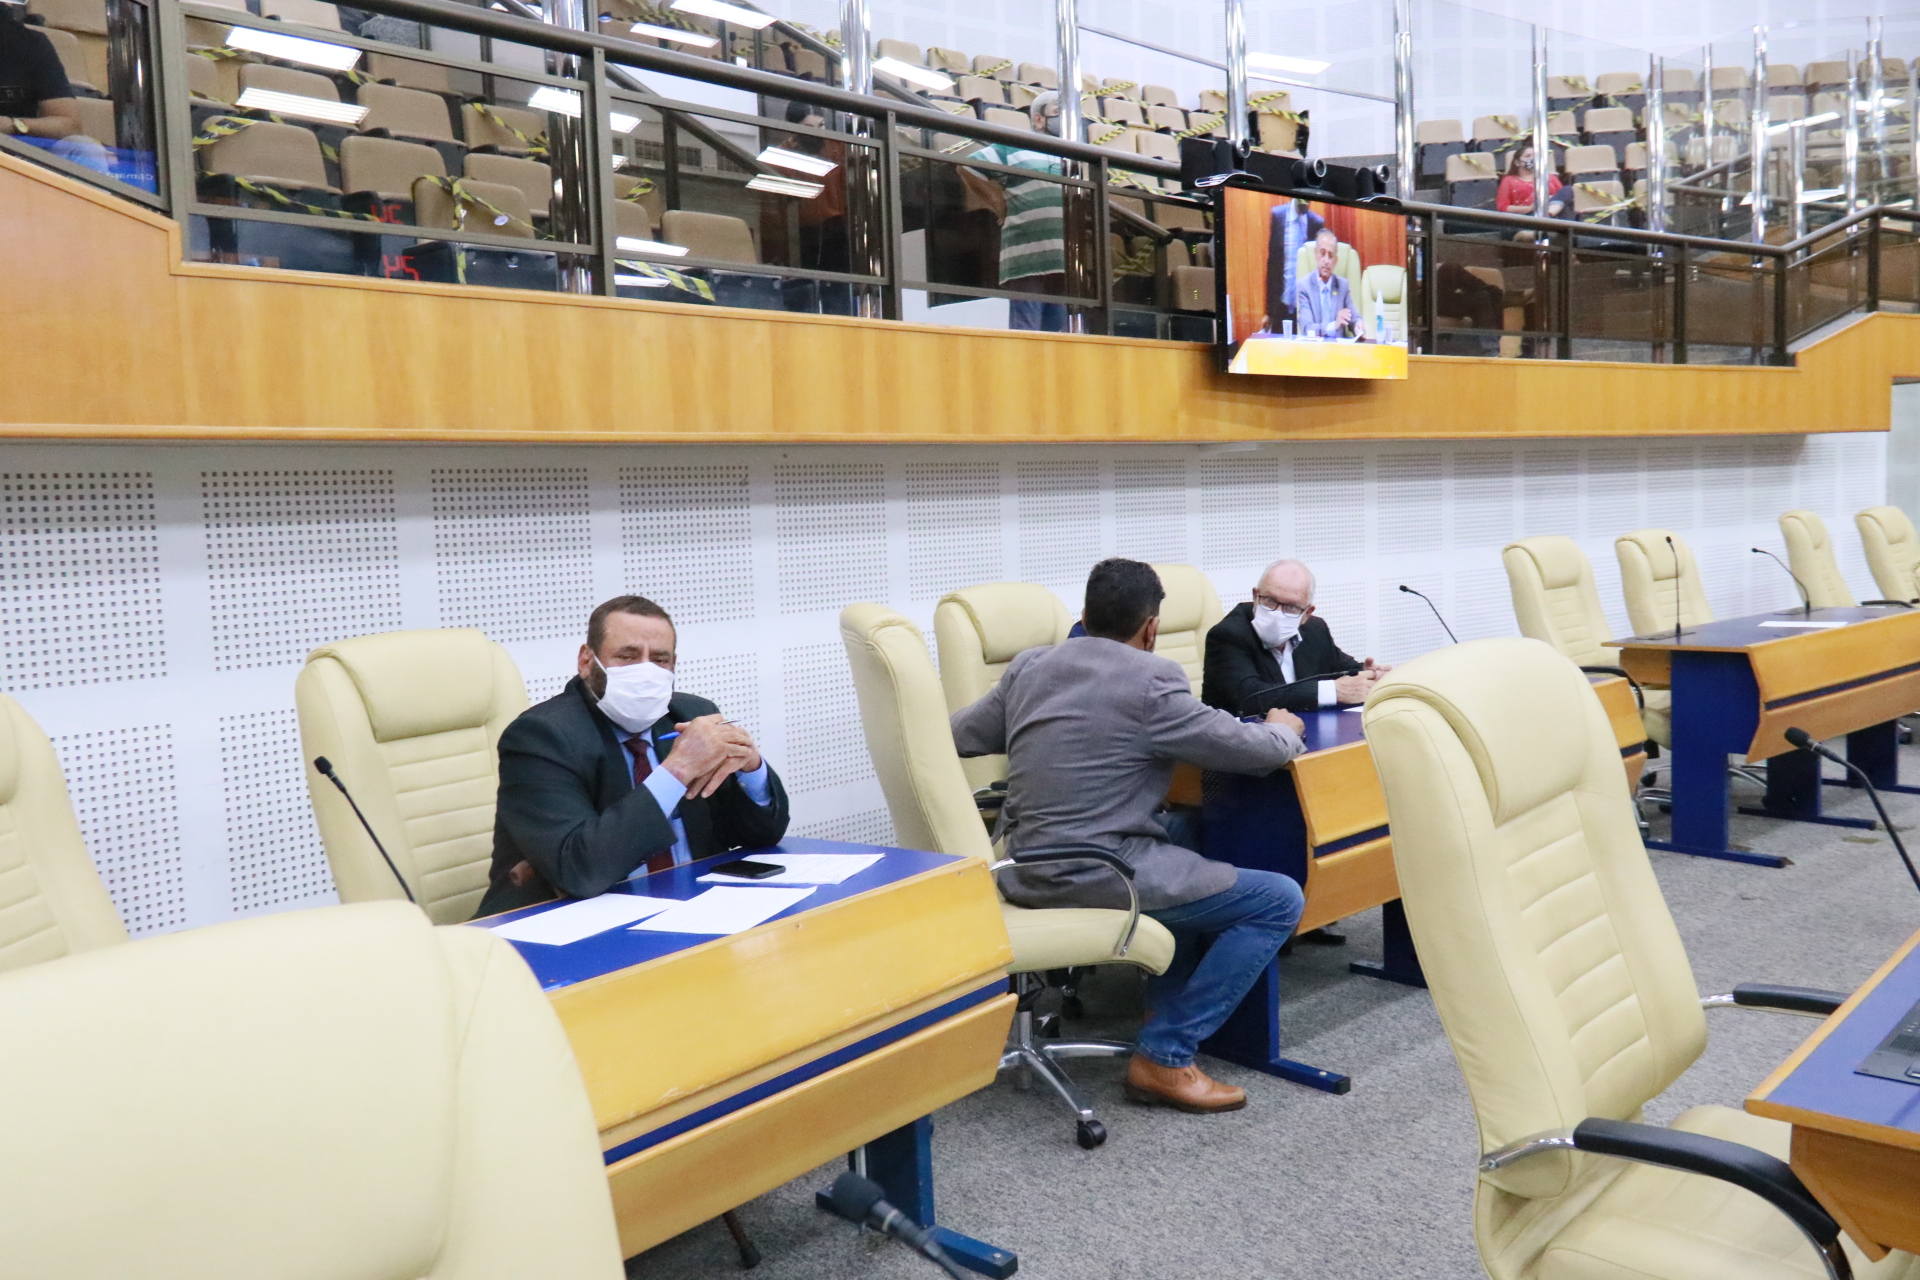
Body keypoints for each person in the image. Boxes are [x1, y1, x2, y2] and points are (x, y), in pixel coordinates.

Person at [950, 558, 1308, 1114]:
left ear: (1085, 614)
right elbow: (1251, 751)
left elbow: (959, 736)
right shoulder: (1154, 681)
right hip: (1099, 870)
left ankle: (1161, 1001)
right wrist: (1284, 732)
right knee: (1279, 899)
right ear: (1151, 627)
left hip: (1024, 865)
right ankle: (1166, 1054)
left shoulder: (1030, 667)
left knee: (1191, 829)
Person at [477, 594, 789, 917]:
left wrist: (751, 769)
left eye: (659, 659)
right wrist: (677, 770)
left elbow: (763, 836)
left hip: (692, 906)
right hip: (563, 922)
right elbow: (580, 870)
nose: (645, 671)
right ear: (586, 662)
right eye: (627, 656)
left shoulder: (692, 715)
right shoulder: (540, 737)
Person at [1203, 558, 1391, 716]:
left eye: (1291, 607)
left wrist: (1367, 674)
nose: (1277, 613)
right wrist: (1331, 691)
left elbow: (1340, 669)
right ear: (1255, 596)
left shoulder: (1315, 629)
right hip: (1245, 742)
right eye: (1270, 600)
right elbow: (1249, 697)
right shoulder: (1228, 635)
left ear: (1307, 613)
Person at [973, 90, 1070, 332]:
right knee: (1027, 334)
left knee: (1058, 339)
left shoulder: (1072, 155)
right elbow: (969, 166)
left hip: (1062, 262)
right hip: (1026, 261)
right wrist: (997, 203)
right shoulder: (1014, 145)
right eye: (1057, 113)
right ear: (1038, 119)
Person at [0, 3, 106, 173]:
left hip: (21, 152)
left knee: (85, 149)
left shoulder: (29, 42)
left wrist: (12, 125)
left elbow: (68, 123)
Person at [1261, 197, 1323, 334]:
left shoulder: (1316, 222)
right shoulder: (1278, 216)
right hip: (1280, 304)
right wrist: (1268, 312)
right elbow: (1273, 265)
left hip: (1305, 307)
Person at [1294, 227, 1356, 339]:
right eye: (1322, 254)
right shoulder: (1304, 286)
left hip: (1339, 348)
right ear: (1316, 254)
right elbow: (1307, 328)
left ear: (1335, 261)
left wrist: (1358, 325)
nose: (1326, 261)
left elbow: (1353, 317)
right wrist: (1333, 326)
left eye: (1330, 256)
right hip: (1314, 348)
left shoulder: (1342, 286)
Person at [1495, 143, 1570, 216]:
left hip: (1554, 213)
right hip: (1527, 216)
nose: (1532, 159)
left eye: (1536, 156)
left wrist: (1550, 199)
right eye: (1528, 156)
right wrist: (1530, 207)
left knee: (1567, 189)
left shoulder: (1549, 177)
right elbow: (1502, 207)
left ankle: (1548, 214)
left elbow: (1562, 195)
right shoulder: (1508, 180)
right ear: (1517, 162)